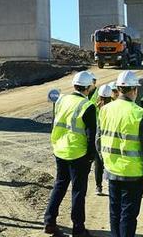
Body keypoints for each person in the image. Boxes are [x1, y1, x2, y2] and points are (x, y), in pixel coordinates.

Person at [97, 70, 143, 237]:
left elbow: (98, 141)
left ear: (118, 89)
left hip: (112, 171)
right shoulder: (140, 113)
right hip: (132, 174)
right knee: (128, 216)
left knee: (114, 213)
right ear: (134, 90)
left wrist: (106, 162)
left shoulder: (105, 109)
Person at [43, 71, 98, 236]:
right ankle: (78, 228)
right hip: (78, 153)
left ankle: (49, 221)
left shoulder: (61, 99)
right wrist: (91, 156)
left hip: (60, 149)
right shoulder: (87, 106)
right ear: (88, 88)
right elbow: (91, 135)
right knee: (78, 190)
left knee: (60, 184)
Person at [93, 84, 114, 196]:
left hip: (99, 137)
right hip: (111, 138)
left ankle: (98, 186)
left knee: (98, 163)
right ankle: (111, 185)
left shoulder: (96, 107)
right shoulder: (114, 107)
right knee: (110, 162)